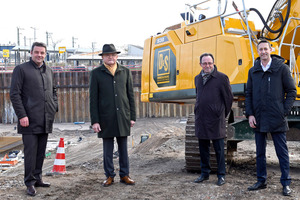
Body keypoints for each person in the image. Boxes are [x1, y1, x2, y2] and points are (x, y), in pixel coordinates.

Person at [245, 39, 296, 196]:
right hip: (258, 117)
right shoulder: (253, 71)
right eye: (260, 49)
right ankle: (261, 181)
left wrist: (283, 111)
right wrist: (250, 114)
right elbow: (249, 94)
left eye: (266, 49)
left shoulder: (281, 68)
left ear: (271, 49)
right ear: (258, 51)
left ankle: (286, 183)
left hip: (276, 117)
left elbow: (292, 91)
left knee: (282, 152)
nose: (263, 52)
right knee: (260, 152)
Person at [10, 42, 58, 196]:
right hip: (28, 119)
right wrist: (22, 115)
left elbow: (54, 91)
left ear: (45, 54)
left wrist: (53, 107)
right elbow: (14, 94)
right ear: (31, 53)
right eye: (36, 52)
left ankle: (38, 178)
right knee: (30, 153)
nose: (39, 55)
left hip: (45, 118)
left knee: (41, 152)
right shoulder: (21, 69)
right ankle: (29, 183)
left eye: (42, 53)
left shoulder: (49, 70)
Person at [89, 44, 136, 187]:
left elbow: (130, 96)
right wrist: (95, 121)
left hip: (122, 116)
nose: (111, 57)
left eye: (113, 55)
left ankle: (125, 175)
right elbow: (93, 99)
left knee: (123, 149)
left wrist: (132, 116)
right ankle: (109, 176)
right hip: (105, 118)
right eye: (107, 55)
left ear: (117, 56)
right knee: (107, 150)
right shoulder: (96, 73)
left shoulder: (126, 72)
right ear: (103, 57)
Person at [194, 53, 233, 186]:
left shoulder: (222, 78)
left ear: (214, 63)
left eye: (210, 63)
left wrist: (221, 114)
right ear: (200, 64)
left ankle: (221, 175)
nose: (207, 65)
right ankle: (204, 174)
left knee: (219, 149)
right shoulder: (197, 78)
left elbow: (228, 99)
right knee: (203, 149)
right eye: (204, 63)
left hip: (216, 120)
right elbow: (198, 96)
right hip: (201, 119)